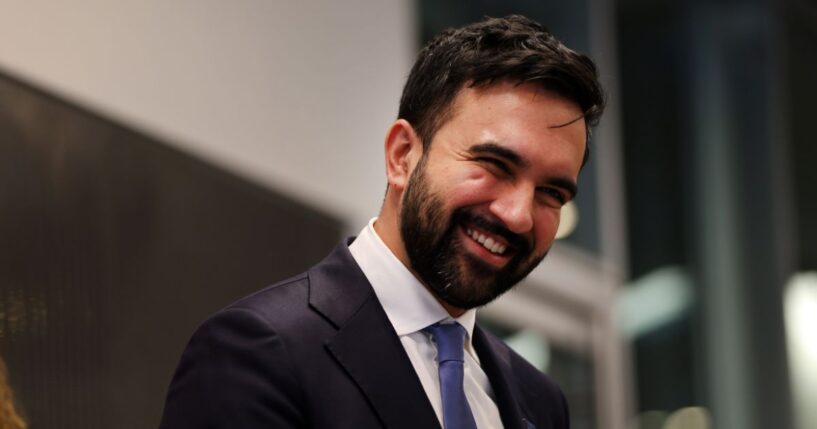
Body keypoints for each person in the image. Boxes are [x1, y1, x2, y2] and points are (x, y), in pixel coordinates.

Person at [160, 15, 604, 429]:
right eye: (494, 165)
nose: (519, 216)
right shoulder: (260, 352)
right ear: (402, 156)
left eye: (551, 194)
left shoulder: (540, 403)